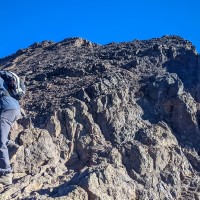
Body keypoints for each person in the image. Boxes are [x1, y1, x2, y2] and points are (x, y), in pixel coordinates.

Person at [0, 71, 25, 185]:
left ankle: (6, 174)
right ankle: (11, 147)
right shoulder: (3, 80)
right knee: (1, 138)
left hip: (7, 109)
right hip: (14, 109)